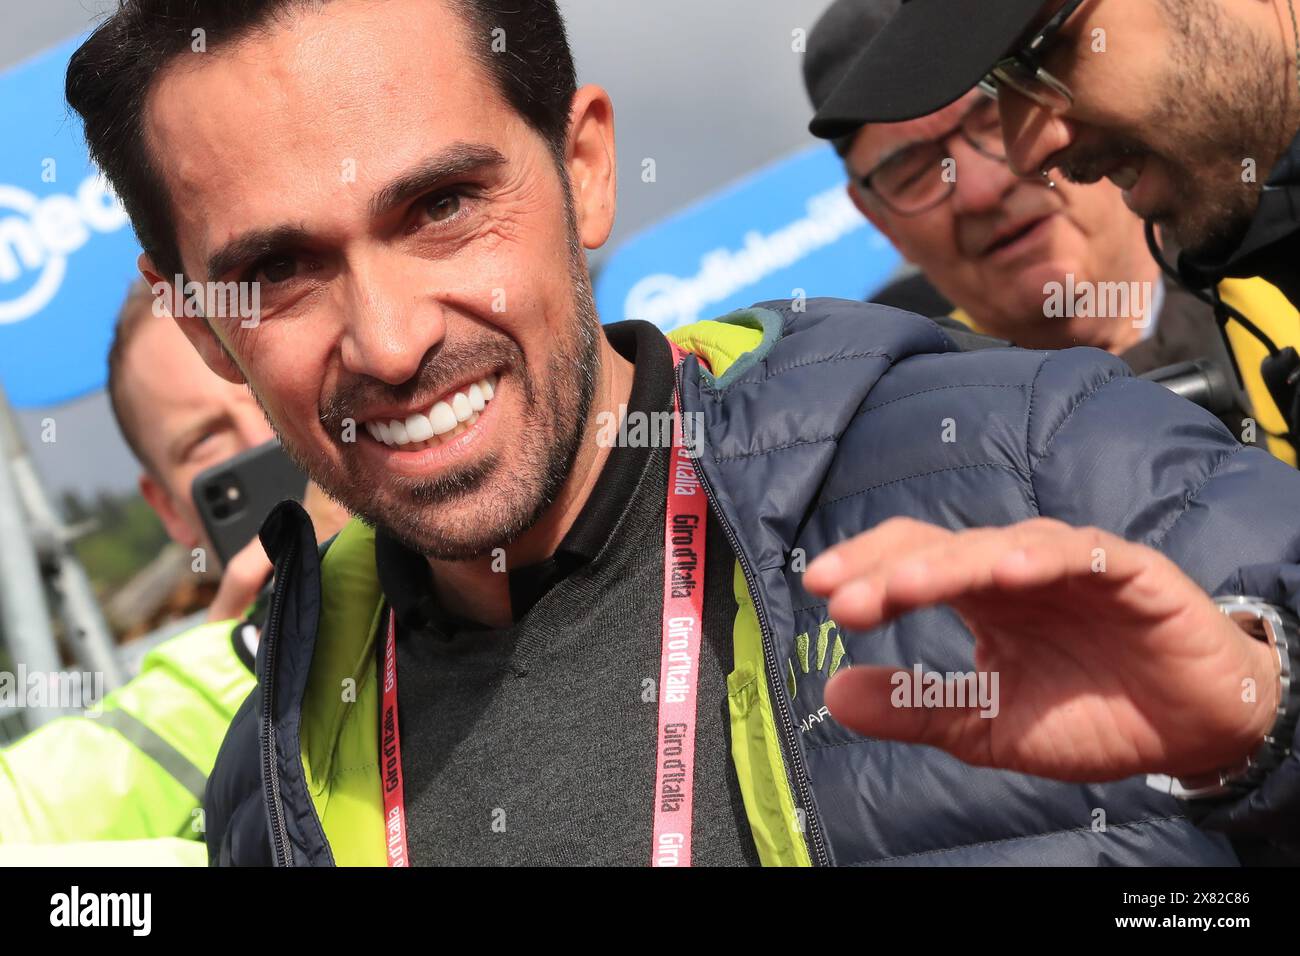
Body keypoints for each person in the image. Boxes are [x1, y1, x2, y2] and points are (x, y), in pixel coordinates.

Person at [67, 0, 1300, 867]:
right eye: (278, 270)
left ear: (586, 169)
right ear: (202, 323)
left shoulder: (1029, 450)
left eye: (442, 205)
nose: (390, 340)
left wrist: (1262, 714)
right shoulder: (267, 780)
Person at [804, 0, 1300, 460]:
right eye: (912, 171)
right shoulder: (903, 447)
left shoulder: (1267, 238)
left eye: (990, 118)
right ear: (878, 221)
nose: (979, 190)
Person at [0, 281, 345, 847]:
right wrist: (247, 660)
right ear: (167, 509)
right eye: (206, 440)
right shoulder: (168, 718)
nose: (266, 437)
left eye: (264, 390)